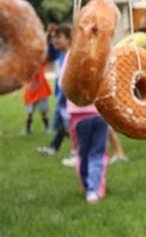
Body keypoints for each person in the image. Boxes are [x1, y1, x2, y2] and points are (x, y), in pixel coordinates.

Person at [60, 53, 109, 204]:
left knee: (82, 153)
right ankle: (95, 188)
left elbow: (62, 84)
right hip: (100, 112)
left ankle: (88, 186)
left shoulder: (72, 55)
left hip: (78, 115)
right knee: (97, 153)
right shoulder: (101, 55)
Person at [38, 24, 72, 156]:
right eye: (53, 38)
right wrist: (48, 34)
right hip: (60, 96)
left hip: (69, 98)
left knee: (68, 125)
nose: (54, 40)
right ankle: (54, 148)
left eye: (58, 37)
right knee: (62, 125)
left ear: (69, 38)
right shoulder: (59, 55)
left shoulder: (72, 56)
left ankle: (76, 152)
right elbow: (44, 50)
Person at [22, 59, 51, 135]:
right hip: (30, 93)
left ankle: (46, 127)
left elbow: (47, 55)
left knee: (43, 111)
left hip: (41, 92)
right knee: (29, 112)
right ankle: (28, 128)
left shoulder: (40, 61)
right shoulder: (25, 65)